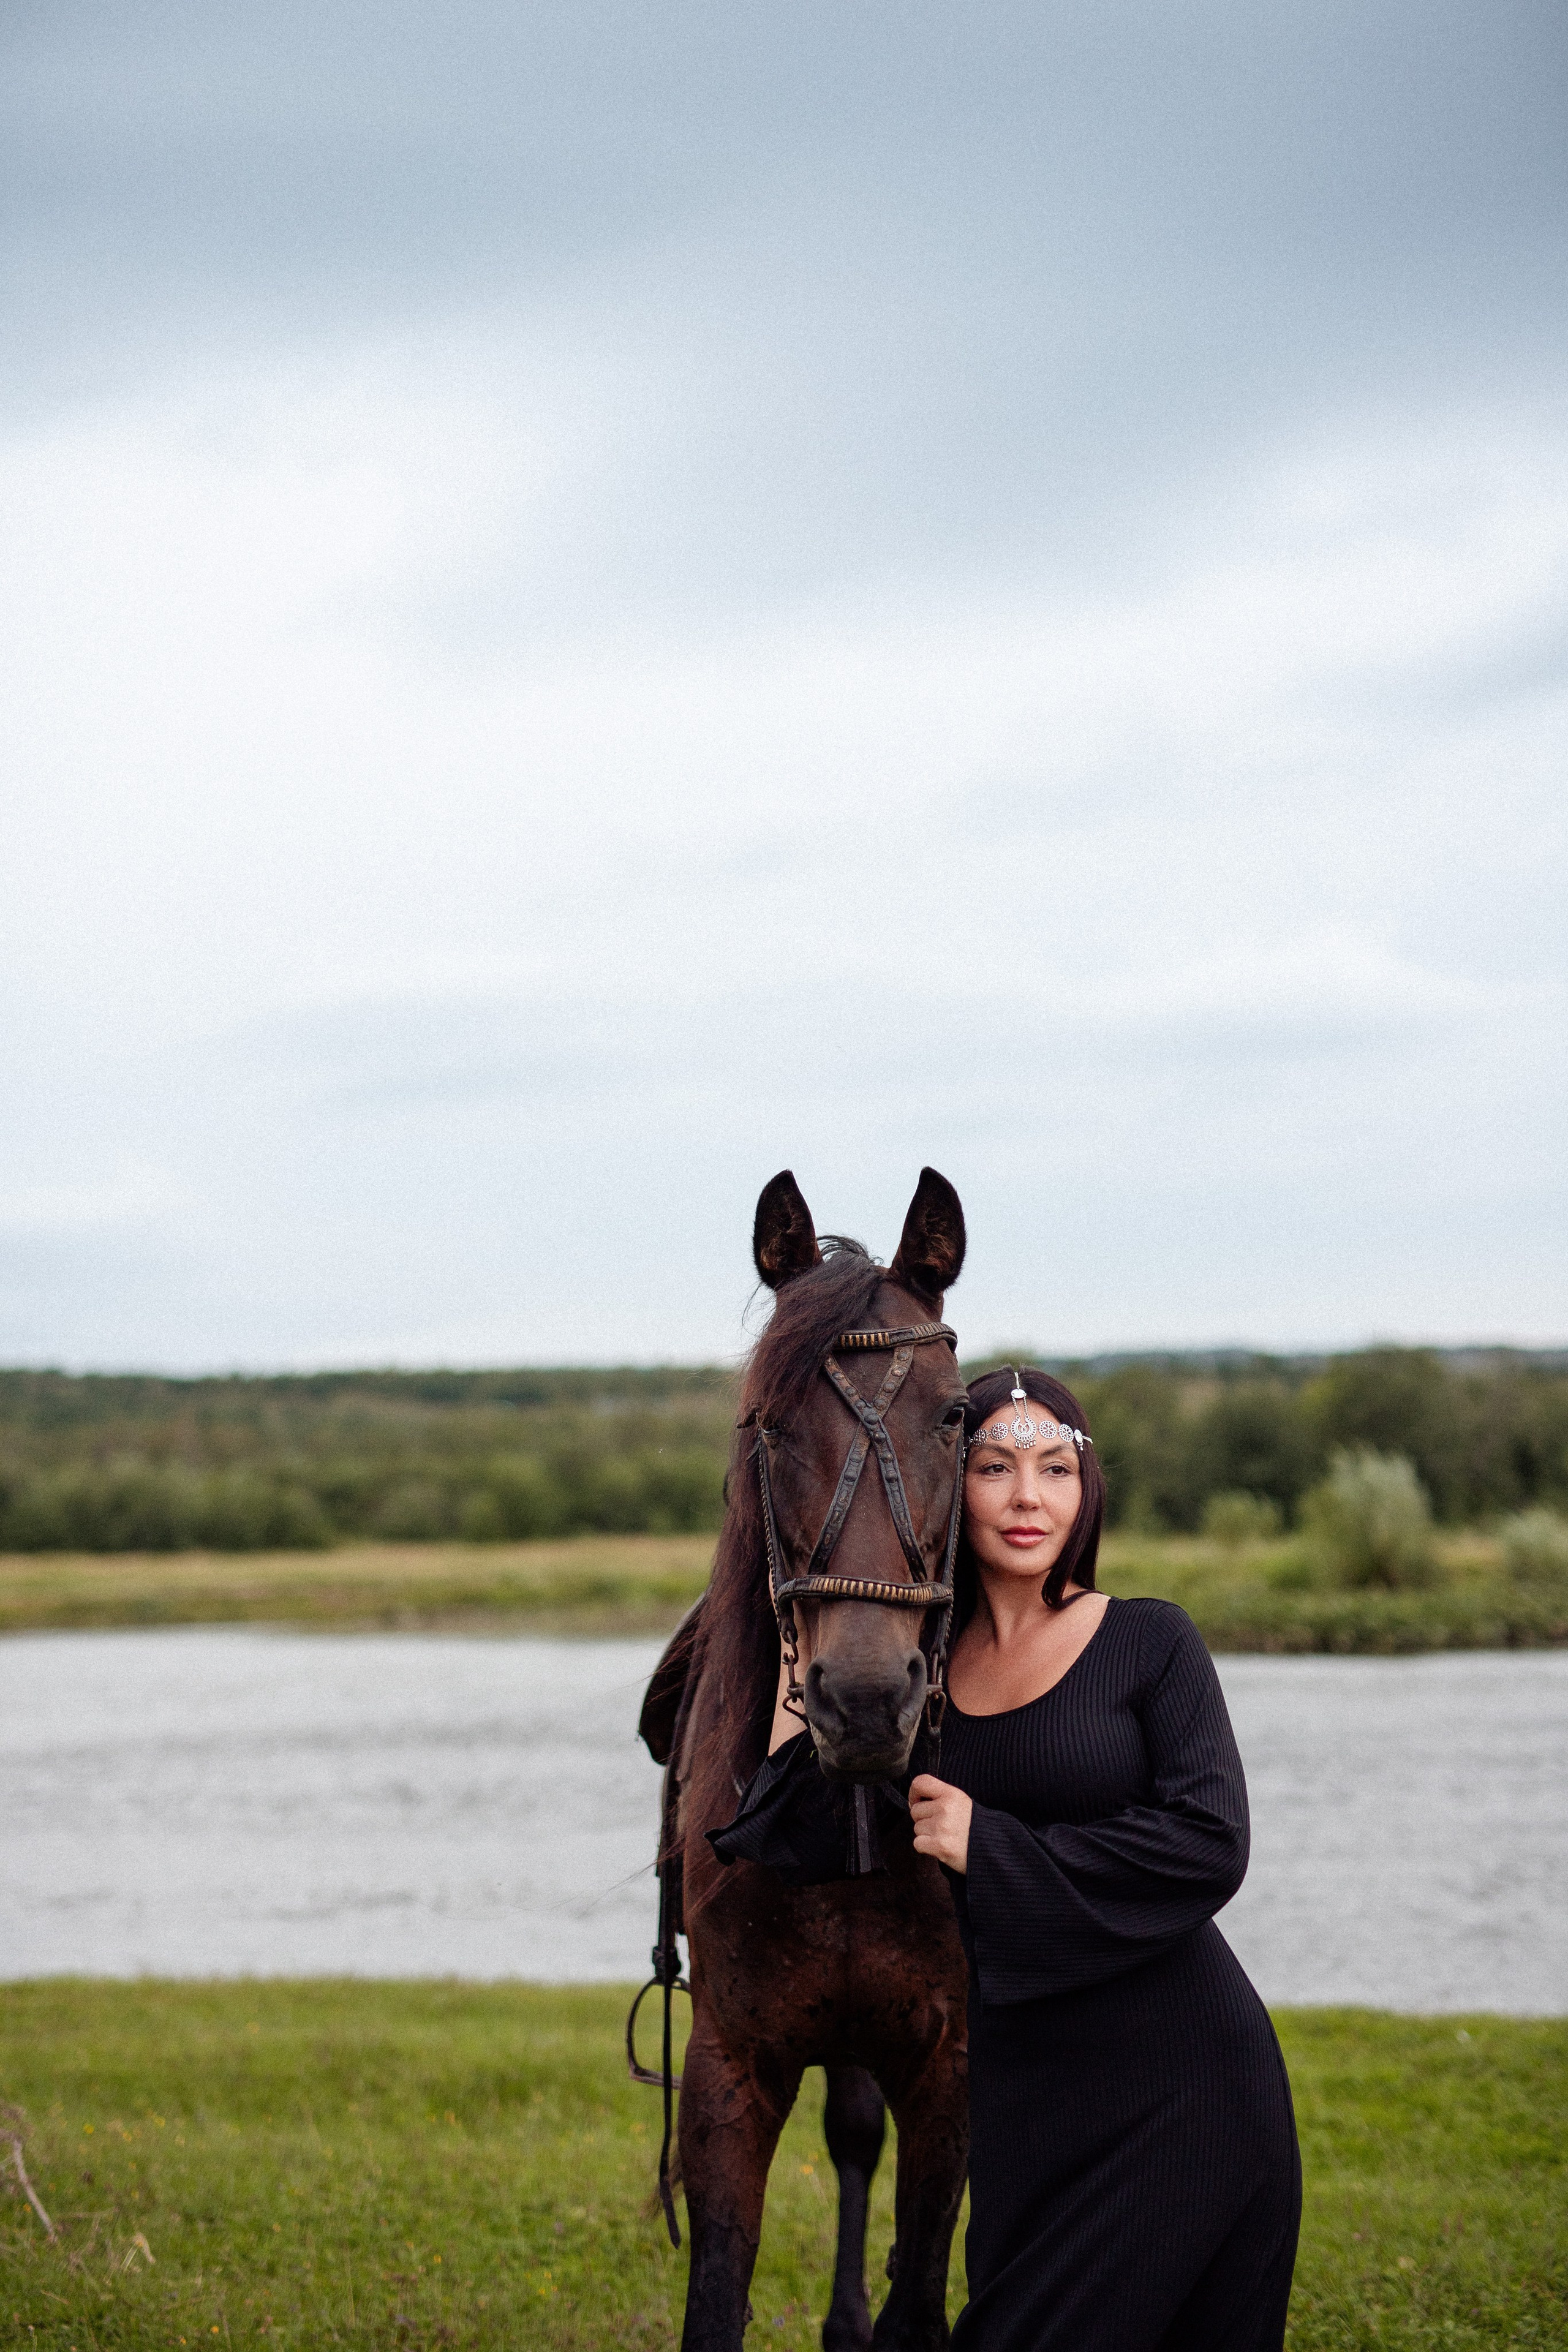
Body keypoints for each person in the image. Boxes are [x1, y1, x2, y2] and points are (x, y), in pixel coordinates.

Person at [908, 1365, 1300, 2351]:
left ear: (1087, 1494)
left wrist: (986, 1845)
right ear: (948, 1485)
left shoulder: (1150, 1640)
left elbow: (1210, 1841)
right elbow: (816, 1829)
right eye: (994, 1468)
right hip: (1023, 2093)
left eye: (1054, 1470)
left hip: (1188, 2082)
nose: (1028, 1497)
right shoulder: (917, 1672)